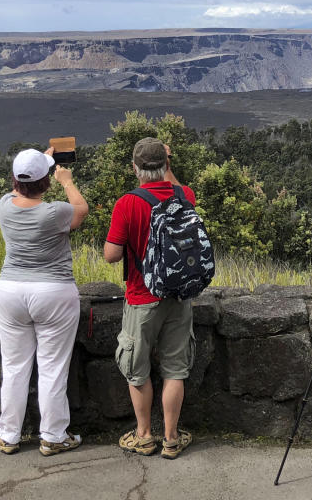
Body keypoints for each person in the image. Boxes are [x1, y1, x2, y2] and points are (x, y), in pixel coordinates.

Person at [0, 147, 89, 456]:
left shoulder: (5, 205)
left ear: (15, 180)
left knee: (14, 366)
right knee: (52, 368)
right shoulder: (55, 211)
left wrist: (35, 166)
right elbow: (81, 210)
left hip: (10, 291)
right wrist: (66, 180)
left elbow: (19, 190)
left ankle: (8, 435)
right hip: (53, 292)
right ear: (45, 182)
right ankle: (54, 436)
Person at [103, 138, 195, 458]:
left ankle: (143, 435)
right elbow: (178, 189)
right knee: (174, 370)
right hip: (179, 298)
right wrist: (168, 165)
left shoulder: (127, 203)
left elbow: (111, 255)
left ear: (134, 168)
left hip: (142, 298)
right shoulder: (186, 196)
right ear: (167, 165)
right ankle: (171, 438)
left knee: (137, 368)